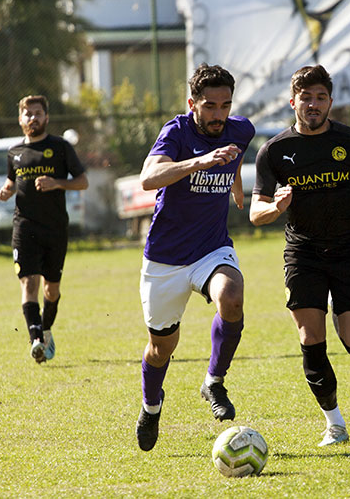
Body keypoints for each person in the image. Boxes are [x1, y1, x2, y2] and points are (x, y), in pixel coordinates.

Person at [250, 65, 350, 446]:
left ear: (330, 101)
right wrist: (276, 207)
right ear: (292, 101)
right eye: (306, 97)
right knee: (311, 338)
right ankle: (335, 423)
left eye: (321, 97)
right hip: (304, 253)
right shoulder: (275, 151)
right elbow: (255, 213)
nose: (313, 105)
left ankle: (336, 308)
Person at [134, 64, 255, 452]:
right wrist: (199, 163)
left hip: (211, 248)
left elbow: (231, 156)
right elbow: (149, 178)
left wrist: (235, 185)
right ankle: (151, 407)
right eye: (210, 106)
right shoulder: (176, 132)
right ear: (192, 104)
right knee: (161, 348)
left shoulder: (241, 129)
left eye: (225, 105)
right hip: (166, 258)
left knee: (231, 297)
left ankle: (214, 381)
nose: (219, 114)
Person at [0, 95, 88, 364]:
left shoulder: (60, 147)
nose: (33, 118)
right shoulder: (13, 152)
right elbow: (12, 181)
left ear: (46, 117)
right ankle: (36, 339)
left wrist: (57, 183)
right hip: (24, 226)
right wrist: (7, 189)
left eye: (38, 113)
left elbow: (82, 182)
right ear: (20, 119)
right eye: (28, 114)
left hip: (55, 228)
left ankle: (46, 329)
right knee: (29, 282)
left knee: (52, 290)